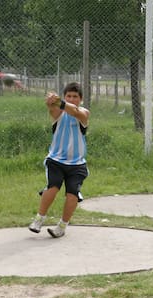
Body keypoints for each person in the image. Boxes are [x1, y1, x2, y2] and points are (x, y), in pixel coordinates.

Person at [29, 82, 90, 238]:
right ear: (64, 96)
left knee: (72, 195)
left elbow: (76, 112)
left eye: (75, 97)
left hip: (77, 164)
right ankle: (39, 219)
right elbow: (53, 109)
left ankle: (62, 226)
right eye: (68, 96)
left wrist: (60, 102)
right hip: (56, 160)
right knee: (53, 187)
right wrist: (51, 102)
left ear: (81, 99)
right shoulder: (58, 112)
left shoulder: (83, 112)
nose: (71, 99)